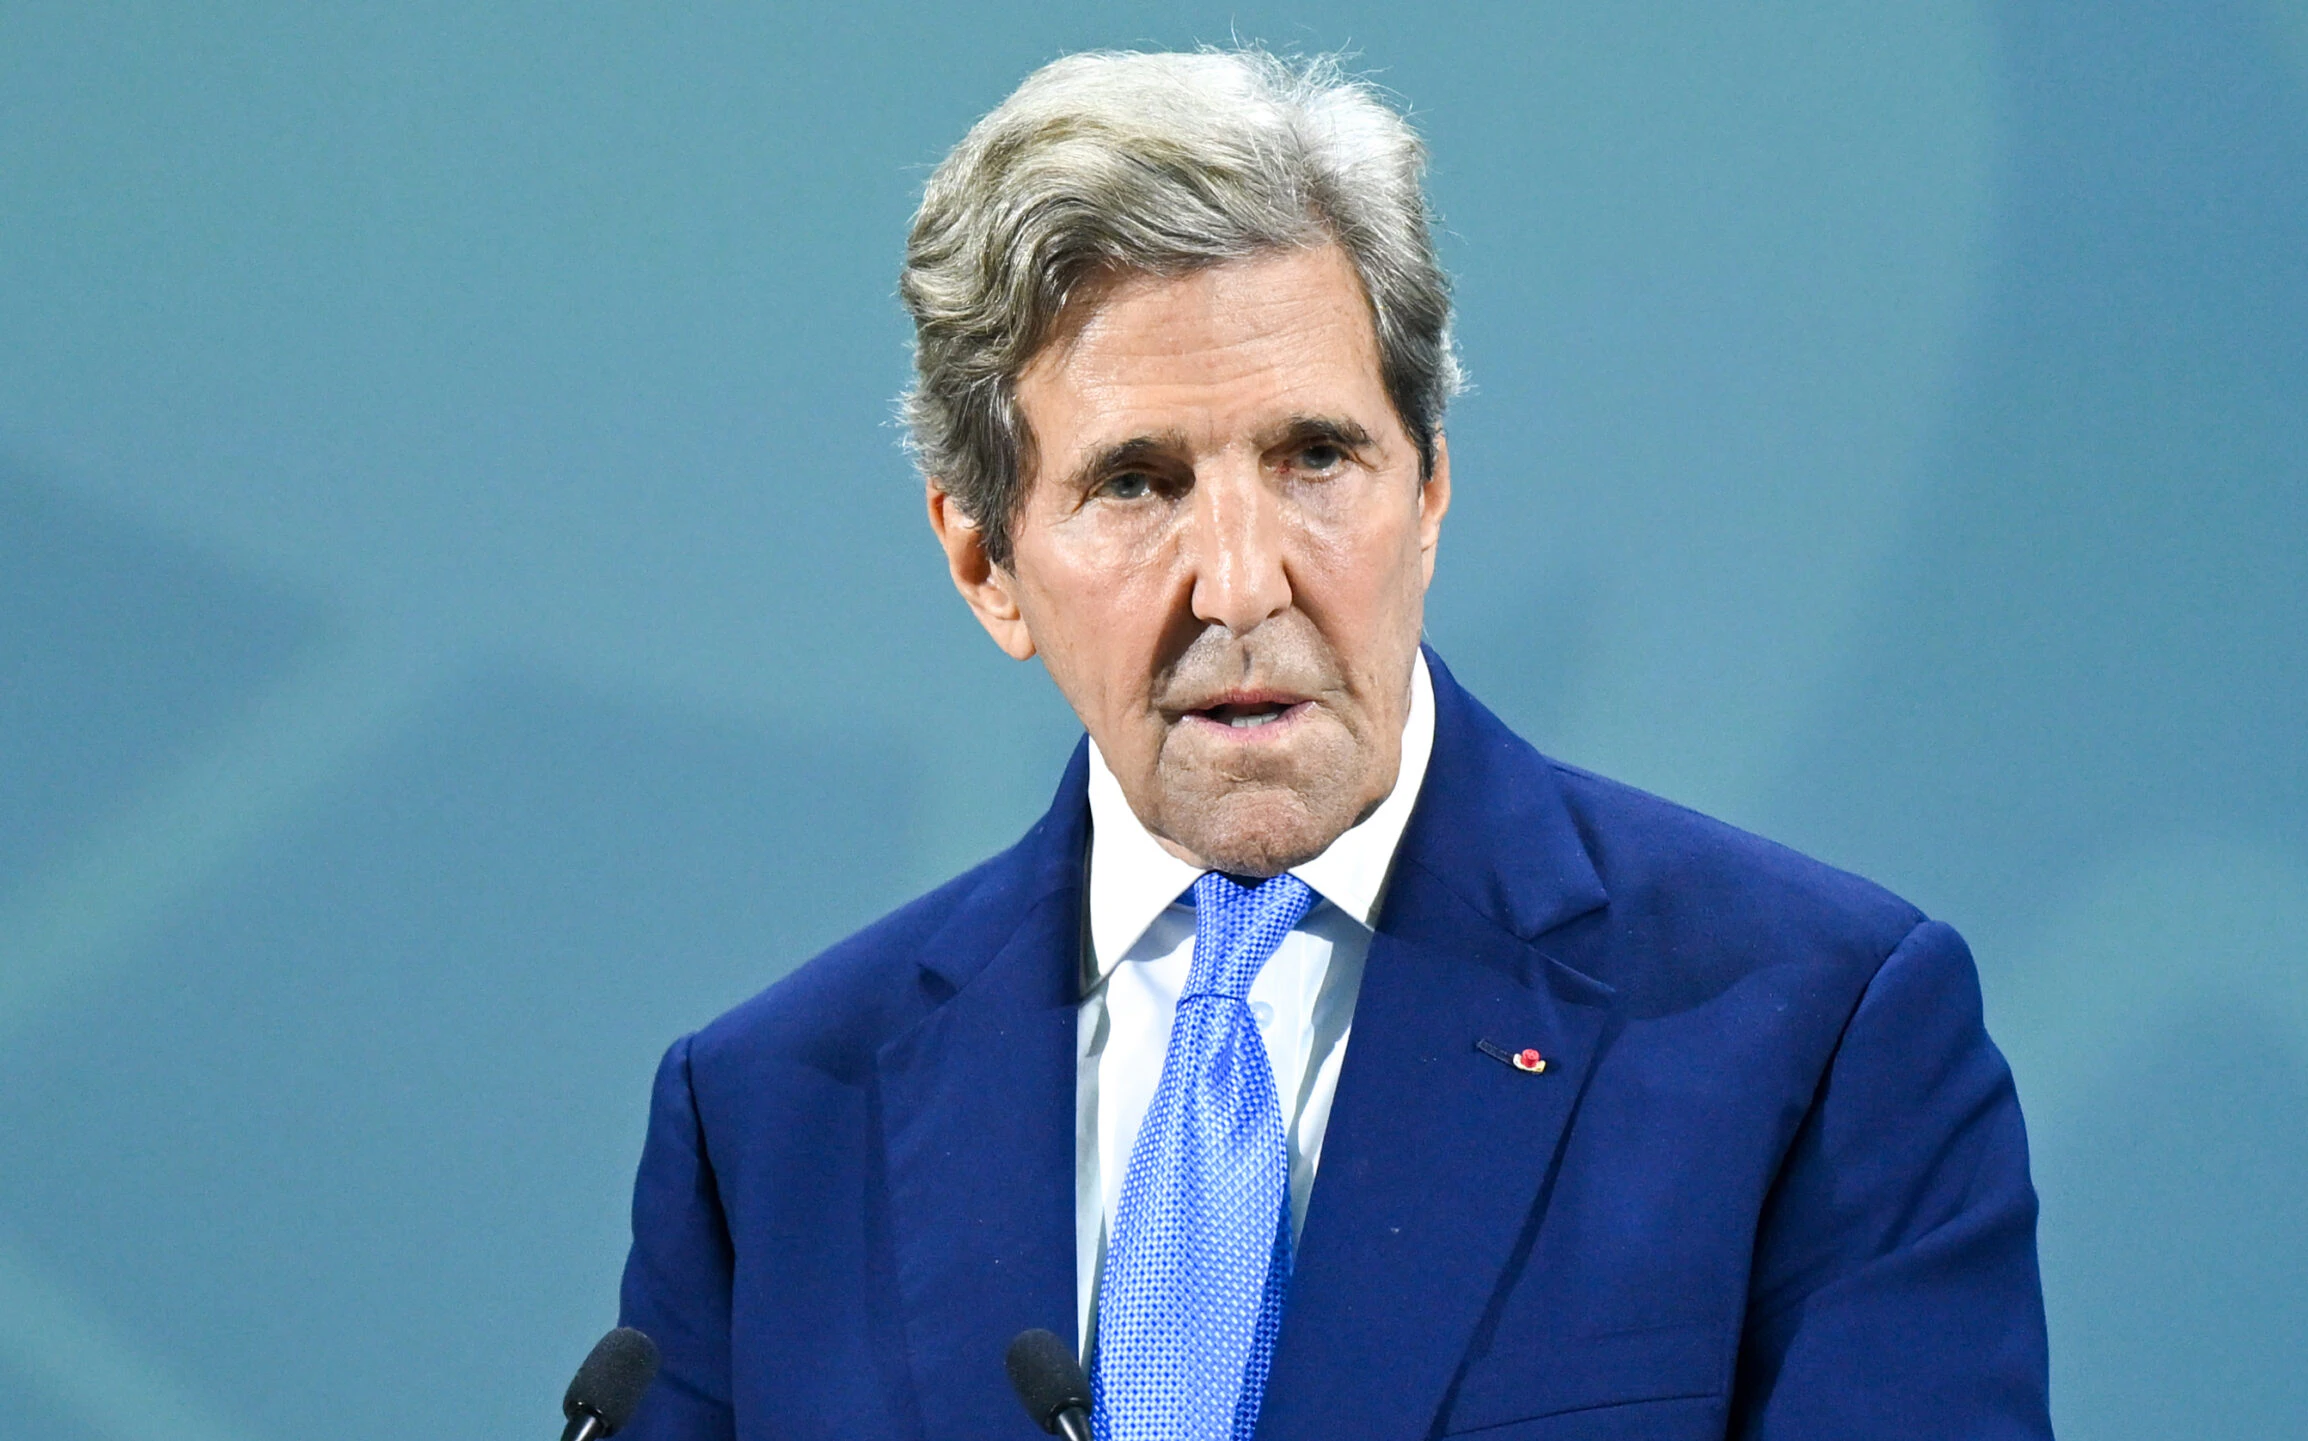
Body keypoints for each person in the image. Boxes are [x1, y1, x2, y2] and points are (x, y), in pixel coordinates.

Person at [616, 47, 2052, 1441]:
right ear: (986, 560)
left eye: (1315, 458)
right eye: (1136, 482)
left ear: (1427, 488)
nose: (1241, 582)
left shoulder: (1814, 1039)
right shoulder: (771, 1125)